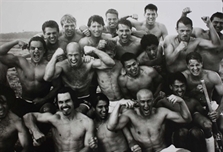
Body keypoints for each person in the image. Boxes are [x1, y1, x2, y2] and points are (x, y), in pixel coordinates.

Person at [107, 89, 191, 152]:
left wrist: (181, 102)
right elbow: (111, 126)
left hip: (163, 150)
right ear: (137, 102)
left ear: (153, 100)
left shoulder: (161, 112)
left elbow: (186, 119)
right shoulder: (131, 115)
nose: (146, 105)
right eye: (142, 102)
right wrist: (118, 105)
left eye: (149, 101)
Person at [44, 42, 115, 115]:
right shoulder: (62, 65)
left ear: (81, 53)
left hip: (84, 97)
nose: (73, 58)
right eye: (70, 55)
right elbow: (47, 77)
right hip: (67, 98)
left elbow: (111, 63)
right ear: (66, 55)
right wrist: (55, 56)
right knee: (59, 114)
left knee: (79, 113)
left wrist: (94, 50)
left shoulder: (88, 63)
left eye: (76, 55)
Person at [0, 37, 61, 116]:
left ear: (44, 50)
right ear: (28, 50)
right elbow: (1, 54)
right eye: (33, 48)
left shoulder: (49, 66)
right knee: (14, 115)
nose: (36, 50)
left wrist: (44, 99)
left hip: (43, 103)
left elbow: (57, 86)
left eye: (39, 48)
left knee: (48, 111)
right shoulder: (21, 62)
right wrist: (16, 41)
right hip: (25, 101)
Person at [23, 87, 97, 152]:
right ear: (57, 104)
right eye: (61, 102)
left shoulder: (86, 122)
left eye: (67, 101)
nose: (64, 105)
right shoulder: (55, 119)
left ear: (73, 101)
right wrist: (35, 131)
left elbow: (88, 147)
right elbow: (27, 116)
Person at [157, 72, 214, 152]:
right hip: (175, 137)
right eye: (176, 87)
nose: (180, 89)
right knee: (182, 132)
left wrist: (206, 101)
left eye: (182, 86)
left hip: (193, 136)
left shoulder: (192, 101)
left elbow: (206, 115)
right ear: (171, 87)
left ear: (185, 86)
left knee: (196, 132)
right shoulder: (164, 102)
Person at [182, 52, 223, 133]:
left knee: (222, 126)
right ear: (187, 66)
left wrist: (218, 112)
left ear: (202, 64)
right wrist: (195, 91)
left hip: (211, 106)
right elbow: (182, 96)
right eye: (192, 66)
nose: (195, 68)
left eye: (197, 65)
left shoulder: (212, 76)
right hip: (194, 109)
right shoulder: (184, 77)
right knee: (206, 125)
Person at [181, 7, 223, 72]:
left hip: (212, 73)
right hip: (195, 71)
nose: (218, 25)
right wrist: (184, 15)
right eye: (216, 22)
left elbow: (216, 43)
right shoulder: (199, 33)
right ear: (210, 22)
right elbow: (183, 30)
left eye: (221, 23)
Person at [0, 87, 31, 152]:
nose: (0, 107)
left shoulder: (16, 121)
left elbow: (26, 147)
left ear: (8, 102)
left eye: (3, 103)